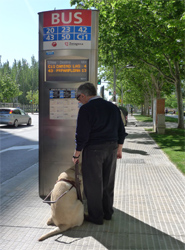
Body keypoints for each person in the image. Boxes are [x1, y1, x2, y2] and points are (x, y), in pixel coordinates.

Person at [72, 82, 127, 225]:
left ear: (83, 95)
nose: (78, 101)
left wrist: (76, 154)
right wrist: (119, 149)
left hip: (94, 150)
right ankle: (107, 213)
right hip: (112, 148)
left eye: (78, 98)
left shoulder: (86, 109)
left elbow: (82, 135)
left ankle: (96, 217)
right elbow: (121, 130)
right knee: (108, 182)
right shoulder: (113, 107)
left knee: (93, 184)